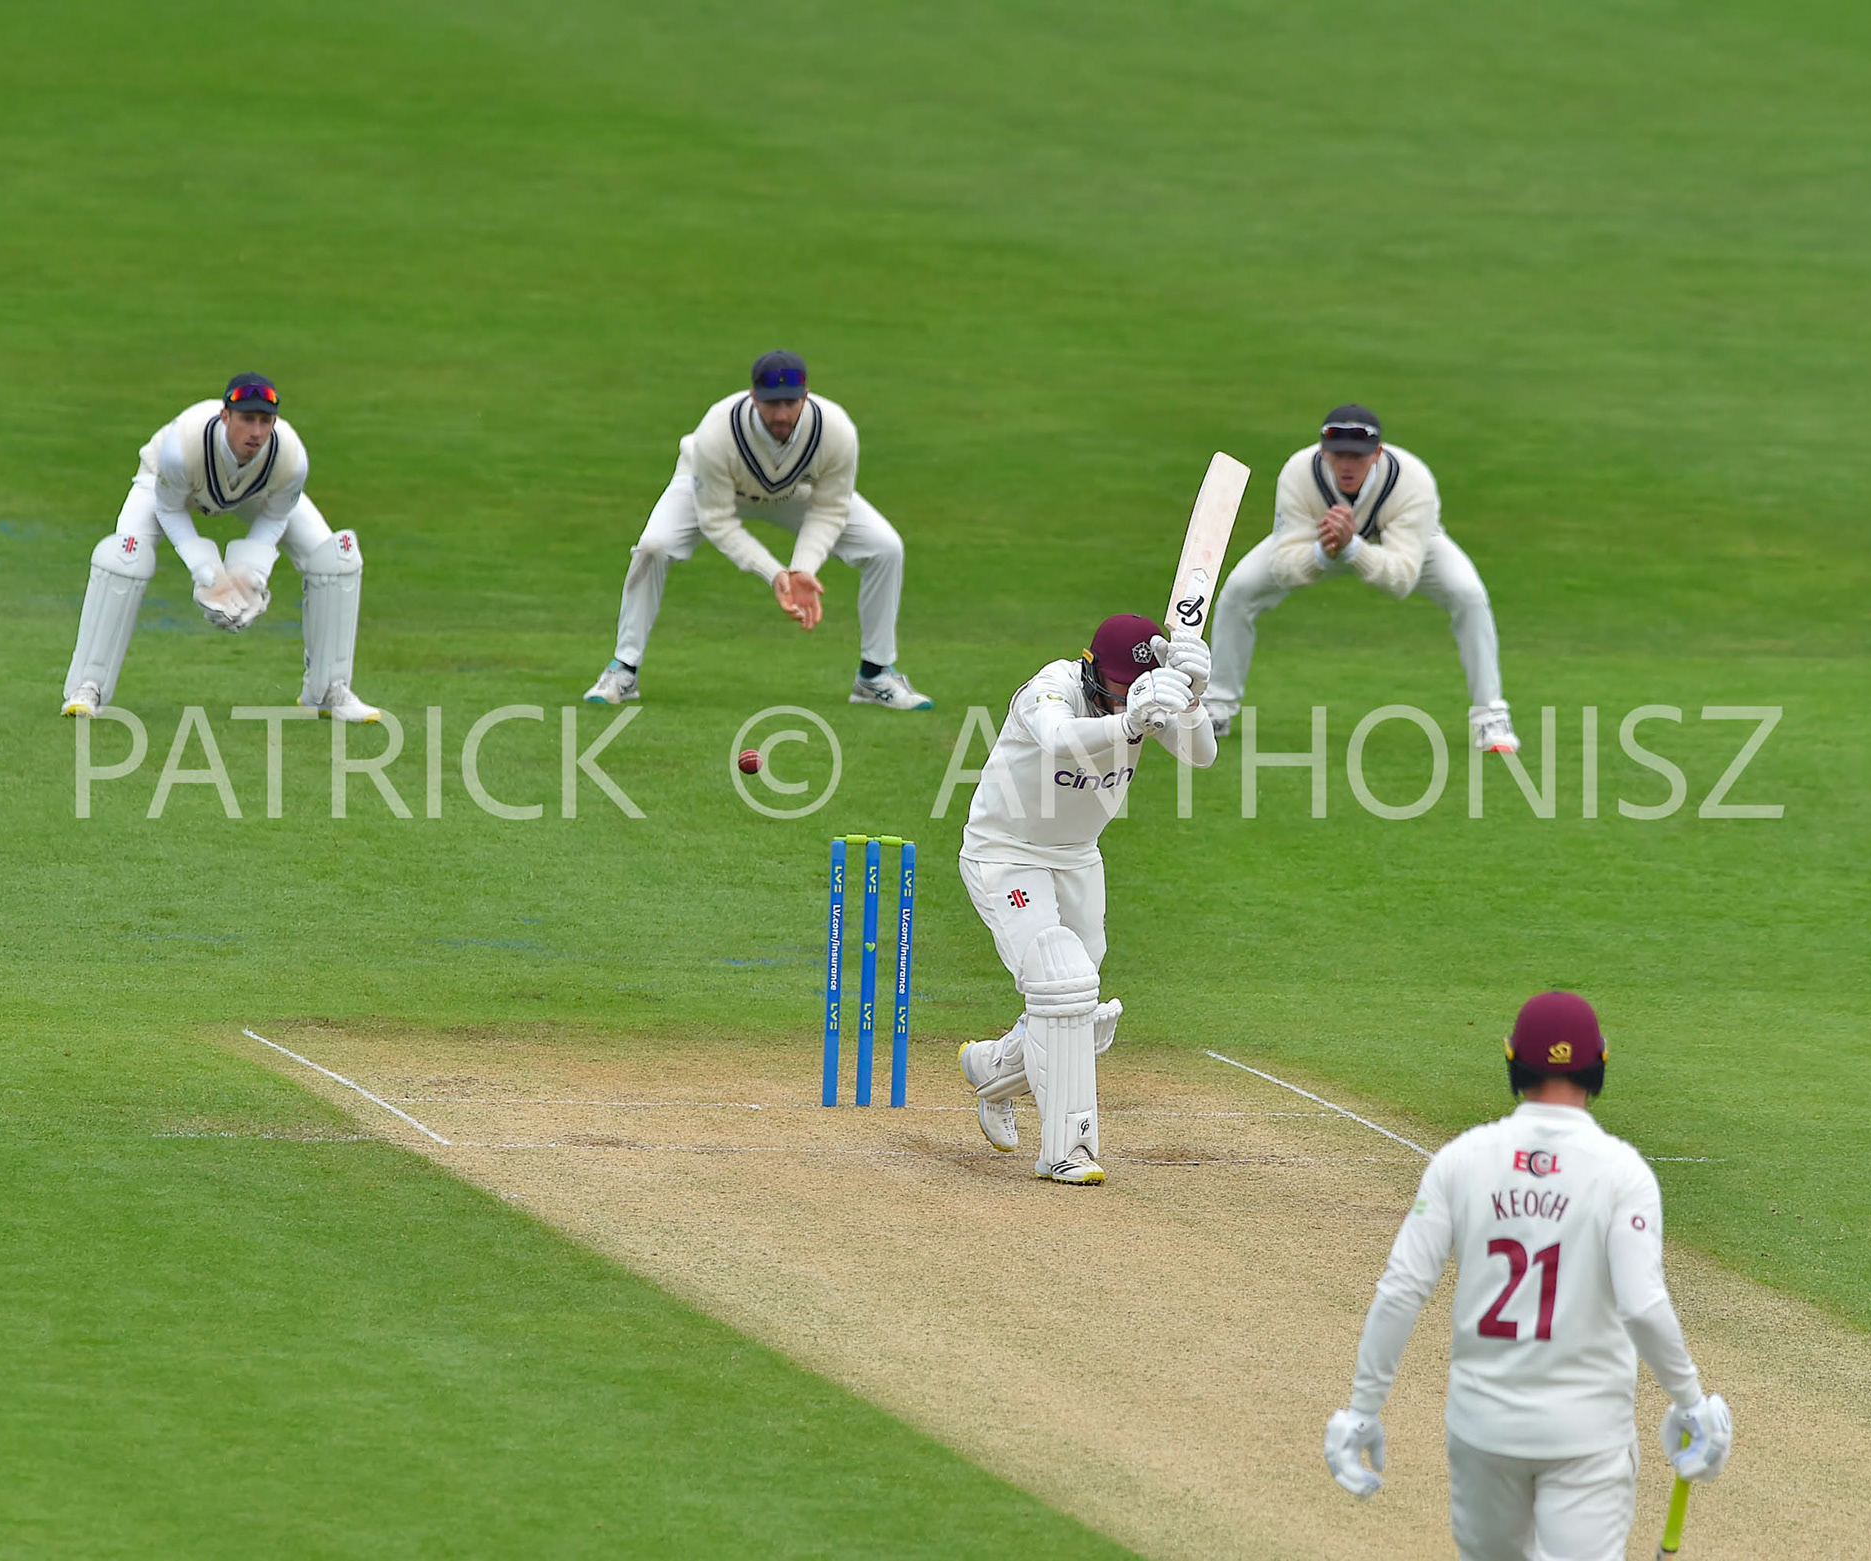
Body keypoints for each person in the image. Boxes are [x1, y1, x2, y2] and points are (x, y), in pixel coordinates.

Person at [1324, 991, 1733, 1560]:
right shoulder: (1624, 1174)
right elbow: (1641, 1307)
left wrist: (1362, 1408)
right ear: (1599, 1066)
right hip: (1586, 1434)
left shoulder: (1460, 1160)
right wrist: (1690, 1401)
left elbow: (1401, 1288)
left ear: (1514, 1062)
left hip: (1483, 1428)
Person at [955, 615, 1216, 1184]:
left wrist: (1191, 698)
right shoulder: (1051, 687)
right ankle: (1067, 1151)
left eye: (1134, 689)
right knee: (1060, 986)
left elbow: (1202, 757)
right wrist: (1132, 722)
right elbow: (1057, 738)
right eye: (1117, 688)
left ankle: (993, 1069)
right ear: (1091, 667)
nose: (1124, 699)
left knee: (1071, 1002)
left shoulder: (1149, 697)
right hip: (1006, 852)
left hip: (1077, 856)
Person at [583, 351, 930, 710]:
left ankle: (875, 676)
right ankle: (624, 669)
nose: (781, 414)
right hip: (713, 487)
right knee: (653, 546)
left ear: (805, 397)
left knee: (885, 547)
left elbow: (830, 509)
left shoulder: (836, 430)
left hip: (794, 490)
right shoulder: (717, 431)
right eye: (771, 403)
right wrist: (774, 573)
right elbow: (715, 520)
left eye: (790, 403)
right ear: (753, 397)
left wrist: (802, 570)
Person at [61, 373, 380, 722]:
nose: (256, 432)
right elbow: (168, 508)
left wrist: (250, 574)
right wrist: (206, 572)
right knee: (124, 557)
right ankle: (87, 687)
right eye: (246, 419)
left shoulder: (290, 458)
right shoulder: (181, 448)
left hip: (251, 492)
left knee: (336, 556)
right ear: (225, 416)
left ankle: (329, 691)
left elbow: (276, 516)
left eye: (265, 421)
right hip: (166, 486)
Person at [1205, 404, 1518, 752]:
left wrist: (1352, 546)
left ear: (1378, 454)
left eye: (1358, 455)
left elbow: (1400, 579)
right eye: (1338, 455)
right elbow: (1284, 565)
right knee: (1238, 590)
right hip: (1319, 541)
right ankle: (1216, 708)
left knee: (1468, 594)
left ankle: (1491, 717)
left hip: (1405, 544)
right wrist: (1327, 550)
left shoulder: (1413, 480)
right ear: (1323, 451)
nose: (1347, 465)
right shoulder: (1298, 473)